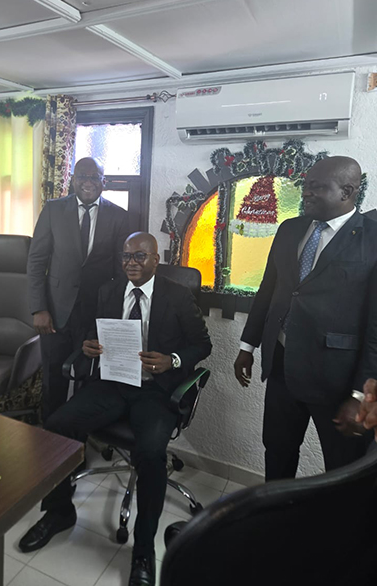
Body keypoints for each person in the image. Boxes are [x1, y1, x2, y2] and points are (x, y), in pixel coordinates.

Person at [19, 232, 212, 586]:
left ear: (155, 260)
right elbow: (95, 334)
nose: (131, 263)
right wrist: (89, 345)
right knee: (57, 425)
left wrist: (172, 360)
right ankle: (59, 512)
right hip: (113, 383)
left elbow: (202, 344)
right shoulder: (108, 291)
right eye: (126, 256)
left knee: (150, 453)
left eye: (139, 256)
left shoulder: (178, 295)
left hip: (156, 391)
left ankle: (143, 550)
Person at [233, 156, 377, 480]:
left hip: (337, 379)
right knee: (277, 451)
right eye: (306, 185)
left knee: (343, 470)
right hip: (282, 367)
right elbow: (268, 290)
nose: (306, 192)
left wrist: (359, 395)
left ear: (347, 192)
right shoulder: (290, 229)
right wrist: (247, 346)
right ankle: (276, 510)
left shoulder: (372, 238)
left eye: (317, 187)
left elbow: (375, 328)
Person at [28, 157, 130, 418]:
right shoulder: (53, 210)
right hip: (55, 311)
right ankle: (50, 436)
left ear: (103, 182)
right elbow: (36, 261)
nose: (88, 182)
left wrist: (114, 316)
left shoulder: (119, 216)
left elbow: (120, 271)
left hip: (94, 314)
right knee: (53, 379)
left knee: (88, 379)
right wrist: (38, 308)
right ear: (72, 180)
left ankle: (78, 438)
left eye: (94, 177)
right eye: (82, 176)